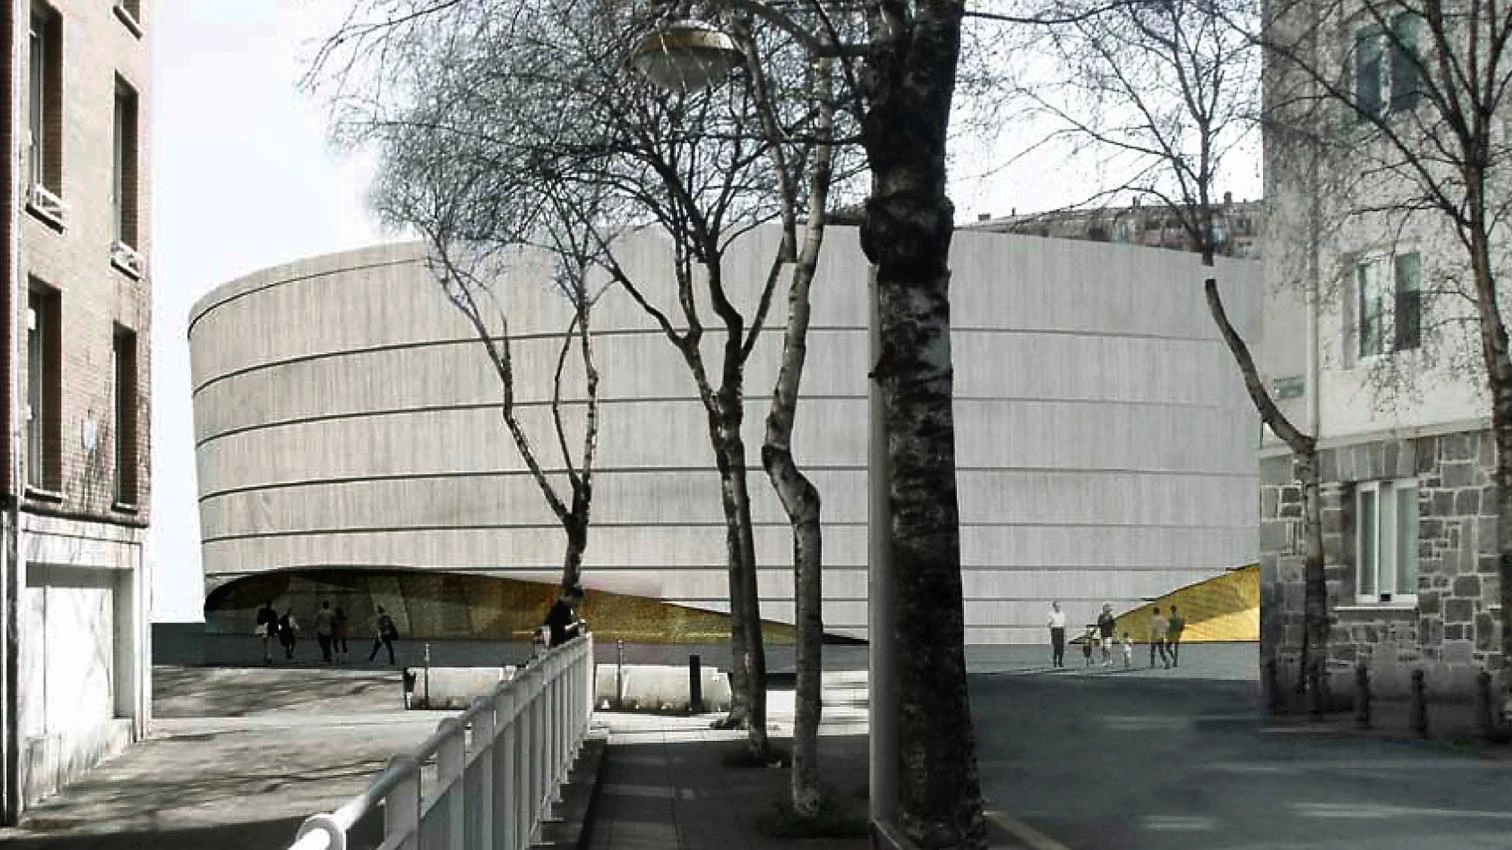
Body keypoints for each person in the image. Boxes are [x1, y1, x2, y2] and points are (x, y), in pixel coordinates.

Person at [255, 600, 278, 664]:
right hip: (269, 629)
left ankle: (266, 654)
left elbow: (258, 620)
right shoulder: (273, 612)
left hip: (263, 629)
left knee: (265, 642)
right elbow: (275, 622)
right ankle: (268, 655)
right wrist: (276, 630)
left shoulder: (262, 611)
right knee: (268, 642)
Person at [1047, 601, 1067, 668]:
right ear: (1054, 606)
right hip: (1055, 629)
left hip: (1061, 629)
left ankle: (1060, 660)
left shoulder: (1062, 614)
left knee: (1061, 646)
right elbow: (1049, 624)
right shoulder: (1051, 614)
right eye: (1056, 606)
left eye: (1059, 606)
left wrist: (1065, 633)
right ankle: (1055, 659)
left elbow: (1064, 624)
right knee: (1056, 645)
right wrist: (1051, 626)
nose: (1058, 607)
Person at [1096, 603, 1116, 668]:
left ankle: (1109, 659)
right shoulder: (1101, 616)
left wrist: (1114, 631)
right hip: (1102, 634)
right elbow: (1099, 624)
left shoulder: (1111, 616)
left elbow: (1114, 625)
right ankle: (1104, 660)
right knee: (1102, 648)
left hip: (1108, 635)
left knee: (1107, 648)